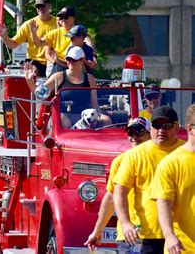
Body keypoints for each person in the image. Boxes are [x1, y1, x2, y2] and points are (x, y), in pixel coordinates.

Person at [113, 106, 185, 253]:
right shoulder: (135, 155)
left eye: (167, 125)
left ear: (177, 127)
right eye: (157, 125)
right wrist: (126, 223)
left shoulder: (187, 151)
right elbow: (119, 192)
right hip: (146, 234)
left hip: (183, 233)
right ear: (151, 128)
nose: (161, 130)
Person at [84, 117, 151, 252]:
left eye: (139, 133)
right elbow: (110, 198)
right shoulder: (120, 161)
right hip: (128, 235)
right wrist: (97, 231)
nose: (134, 137)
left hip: (155, 235)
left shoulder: (162, 160)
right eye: (130, 133)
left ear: (151, 134)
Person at [24, 46, 111, 128]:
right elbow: (40, 94)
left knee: (106, 120)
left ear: (81, 61)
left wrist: (101, 116)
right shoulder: (58, 76)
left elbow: (94, 104)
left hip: (85, 117)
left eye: (74, 60)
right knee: (61, 119)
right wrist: (29, 80)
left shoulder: (90, 78)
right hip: (64, 116)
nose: (70, 62)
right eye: (68, 59)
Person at [151, 104, 195, 253]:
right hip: (184, 248)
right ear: (190, 129)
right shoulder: (171, 163)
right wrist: (169, 236)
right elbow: (163, 203)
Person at [0, 0, 57, 77]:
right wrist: (4, 36)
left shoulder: (58, 23)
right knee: (33, 72)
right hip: (34, 61)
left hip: (53, 61)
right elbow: (12, 45)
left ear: (49, 6)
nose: (40, 8)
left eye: (43, 5)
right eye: (38, 6)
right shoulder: (29, 24)